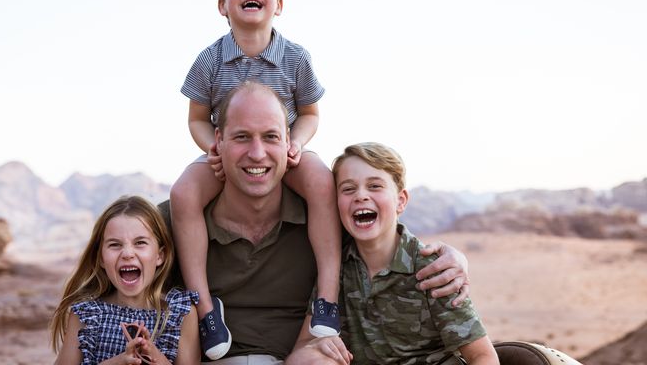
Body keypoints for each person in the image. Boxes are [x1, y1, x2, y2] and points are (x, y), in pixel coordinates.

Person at [161, 81, 470, 364]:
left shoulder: (324, 219)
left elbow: (384, 243)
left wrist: (455, 258)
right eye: (242, 137)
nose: (257, 154)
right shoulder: (175, 221)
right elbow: (120, 260)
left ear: (289, 143)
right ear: (219, 140)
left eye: (270, 137)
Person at [170, 0, 342, 360]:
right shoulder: (210, 59)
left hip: (284, 150)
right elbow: (196, 118)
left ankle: (328, 297)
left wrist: (296, 142)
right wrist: (209, 146)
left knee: (321, 180)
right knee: (183, 194)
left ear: (278, 4)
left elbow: (311, 113)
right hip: (227, 153)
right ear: (222, 4)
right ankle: (207, 309)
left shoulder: (295, 57)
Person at [326, 142, 499, 364]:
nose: (361, 196)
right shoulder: (334, 268)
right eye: (348, 189)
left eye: (375, 186)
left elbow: (482, 356)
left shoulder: (433, 269)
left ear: (401, 201)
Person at [51, 195, 201, 365]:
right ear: (101, 258)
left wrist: (152, 355)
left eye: (140, 243)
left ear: (160, 256)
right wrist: (116, 362)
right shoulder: (87, 315)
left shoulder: (179, 312)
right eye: (115, 245)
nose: (128, 254)